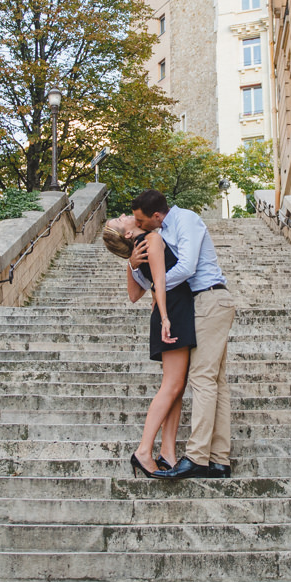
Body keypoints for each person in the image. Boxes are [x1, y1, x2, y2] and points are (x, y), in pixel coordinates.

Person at [128, 188, 235, 479]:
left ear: (157, 216)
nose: (139, 224)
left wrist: (157, 287)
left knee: (201, 378)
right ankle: (219, 460)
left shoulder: (185, 220)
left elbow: (186, 267)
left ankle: (198, 457)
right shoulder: (160, 232)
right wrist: (135, 266)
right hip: (202, 302)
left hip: (208, 298)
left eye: (141, 220)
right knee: (216, 382)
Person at [102, 215, 193, 477]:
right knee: (172, 385)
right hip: (172, 312)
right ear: (128, 235)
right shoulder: (151, 239)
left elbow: (138, 292)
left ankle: (168, 452)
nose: (126, 215)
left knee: (177, 386)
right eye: (121, 219)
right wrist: (165, 316)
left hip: (174, 310)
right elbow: (155, 286)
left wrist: (132, 265)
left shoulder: (141, 248)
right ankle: (143, 451)